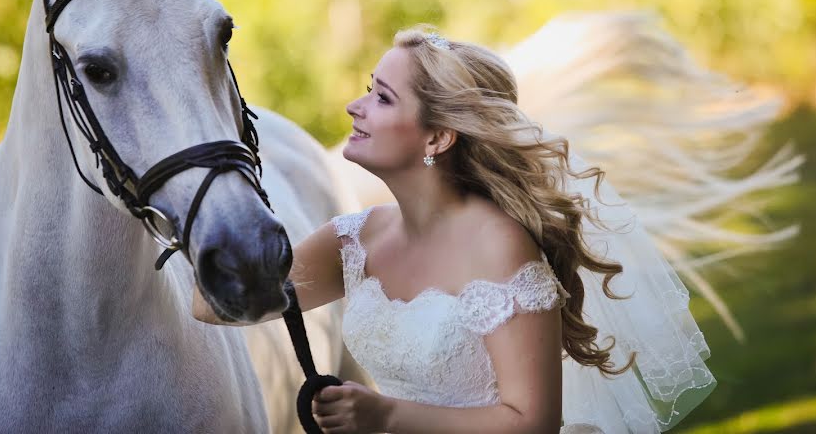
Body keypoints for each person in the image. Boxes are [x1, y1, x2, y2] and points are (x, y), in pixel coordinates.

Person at [195, 25, 715, 433]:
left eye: (382, 97)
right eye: (366, 91)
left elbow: (532, 421)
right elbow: (209, 308)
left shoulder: (499, 245)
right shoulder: (352, 241)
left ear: (438, 137)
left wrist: (386, 419)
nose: (355, 107)